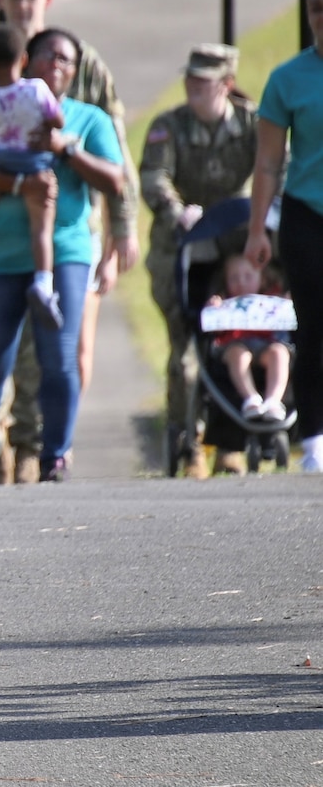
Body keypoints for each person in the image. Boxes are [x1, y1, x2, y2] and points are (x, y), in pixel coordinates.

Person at [0, 0, 141, 481]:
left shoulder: (87, 76)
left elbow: (116, 159)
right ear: (2, 0)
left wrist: (123, 228)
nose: (59, 66)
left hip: (67, 243)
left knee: (55, 358)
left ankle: (41, 455)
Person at [139, 43, 258, 478]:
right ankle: (187, 443)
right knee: (185, 350)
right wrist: (178, 212)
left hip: (234, 248)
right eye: (189, 78)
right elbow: (154, 176)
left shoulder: (251, 123)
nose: (192, 86)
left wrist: (260, 217)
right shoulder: (169, 126)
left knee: (239, 339)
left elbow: (273, 169)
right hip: (182, 250)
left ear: (226, 85)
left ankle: (232, 442)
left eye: (202, 81)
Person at [245, 0, 323, 474]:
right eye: (317, 8)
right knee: (314, 326)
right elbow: (269, 163)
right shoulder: (287, 78)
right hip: (306, 214)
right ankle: (314, 439)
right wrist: (256, 230)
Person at [0, 25, 66, 328]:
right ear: (23, 59)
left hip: (1, 161)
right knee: (41, 228)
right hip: (34, 163)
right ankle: (43, 282)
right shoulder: (36, 89)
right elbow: (57, 120)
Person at [204, 255, 293, 423]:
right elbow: (214, 329)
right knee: (238, 353)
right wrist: (213, 310)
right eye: (234, 278)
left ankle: (274, 401)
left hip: (268, 345)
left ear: (262, 278)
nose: (241, 283)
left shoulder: (273, 297)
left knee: (280, 353)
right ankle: (251, 398)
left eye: (248, 276)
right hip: (234, 345)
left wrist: (288, 303)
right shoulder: (223, 302)